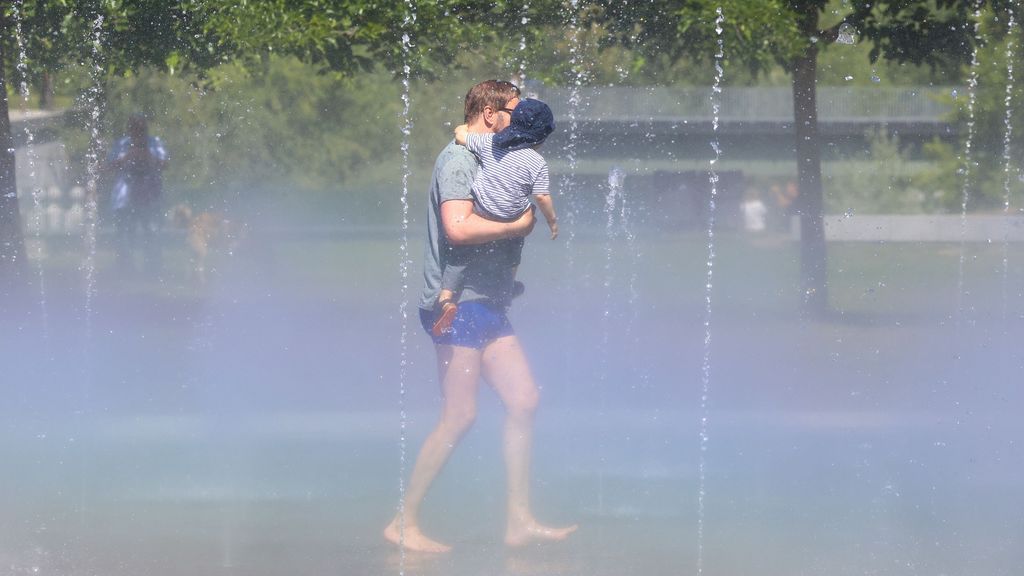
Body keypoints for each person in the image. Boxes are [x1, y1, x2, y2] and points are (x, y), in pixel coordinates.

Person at [383, 79, 577, 553]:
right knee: (460, 415)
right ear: (490, 114)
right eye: (514, 110)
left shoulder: (495, 153)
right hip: (456, 304)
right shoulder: (458, 161)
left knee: (525, 399)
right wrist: (517, 225)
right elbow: (458, 227)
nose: (521, 119)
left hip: (486, 302)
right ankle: (402, 521)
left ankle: (518, 520)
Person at [432, 98, 559, 335]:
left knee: (459, 257)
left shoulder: (491, 144)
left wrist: (461, 129)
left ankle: (446, 298)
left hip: (483, 209)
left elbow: (462, 136)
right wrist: (552, 221)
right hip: (511, 215)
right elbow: (542, 197)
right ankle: (508, 286)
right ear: (542, 137)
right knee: (515, 244)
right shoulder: (537, 162)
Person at [107, 114, 168, 273]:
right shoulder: (121, 144)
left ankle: (153, 268)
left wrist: (147, 155)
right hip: (124, 196)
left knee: (152, 232)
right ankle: (125, 268)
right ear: (129, 128)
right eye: (134, 127)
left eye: (141, 127)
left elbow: (164, 164)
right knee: (125, 234)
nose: (138, 130)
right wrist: (128, 157)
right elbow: (109, 166)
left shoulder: (155, 143)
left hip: (150, 196)